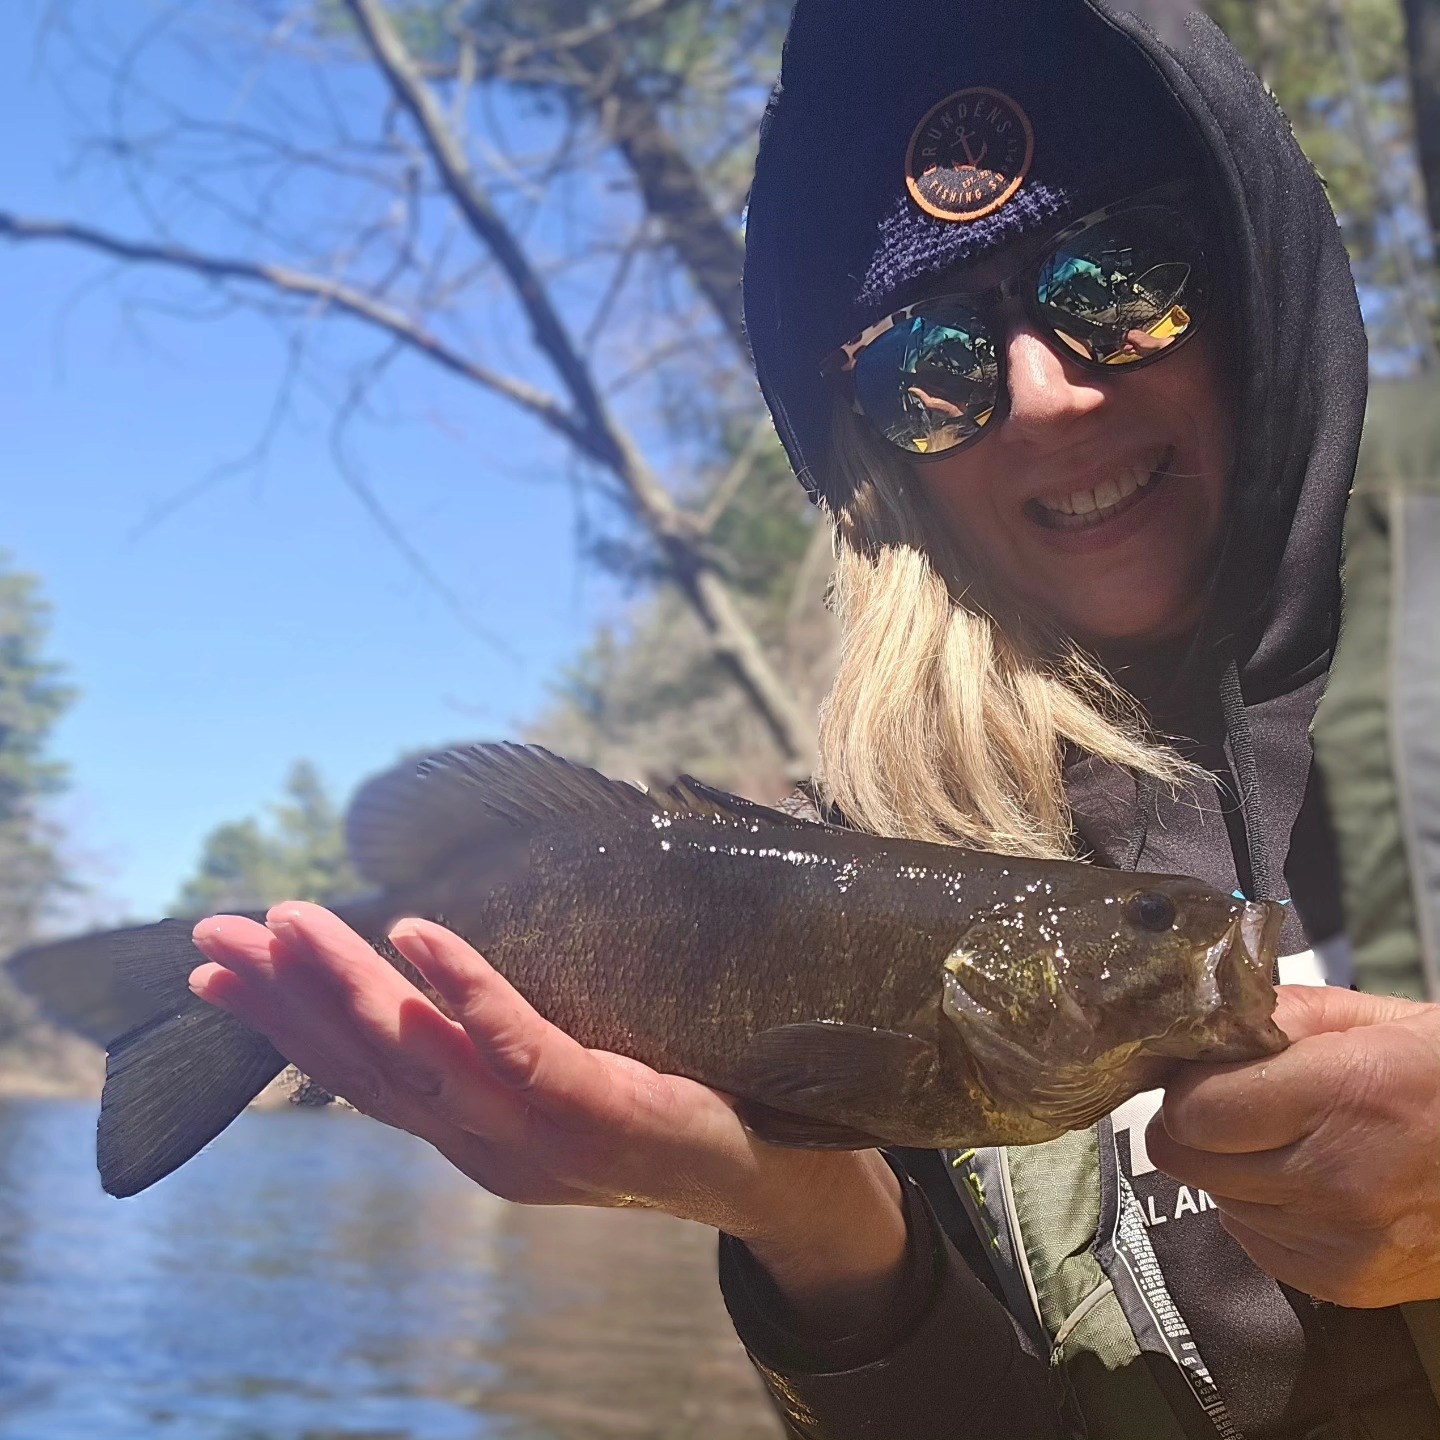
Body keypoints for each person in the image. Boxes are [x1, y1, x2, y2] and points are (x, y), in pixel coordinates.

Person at [186, 1, 1440, 1435]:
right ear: (876, 455)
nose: (1043, 396)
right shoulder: (903, 837)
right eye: (934, 369)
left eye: (1119, 281)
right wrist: (819, 1231)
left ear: (1255, 276)